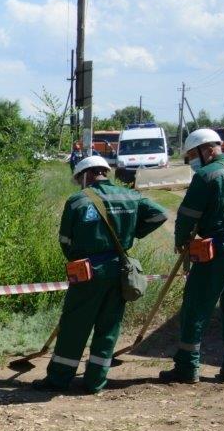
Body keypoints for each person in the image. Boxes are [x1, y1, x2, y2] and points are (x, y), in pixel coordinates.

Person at [31, 155, 167, 394]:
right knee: (109, 326)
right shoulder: (131, 196)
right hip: (120, 270)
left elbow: (66, 241)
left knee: (75, 326)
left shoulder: (77, 201)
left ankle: (59, 379)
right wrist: (133, 234)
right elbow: (159, 215)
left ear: (86, 175)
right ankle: (95, 382)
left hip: (88, 272)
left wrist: (78, 256)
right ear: (104, 171)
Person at [160, 129, 224, 384]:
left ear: (207, 150)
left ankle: (187, 367)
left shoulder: (206, 176)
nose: (192, 161)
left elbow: (187, 216)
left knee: (195, 307)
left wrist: (182, 242)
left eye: (193, 155)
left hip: (216, 252)